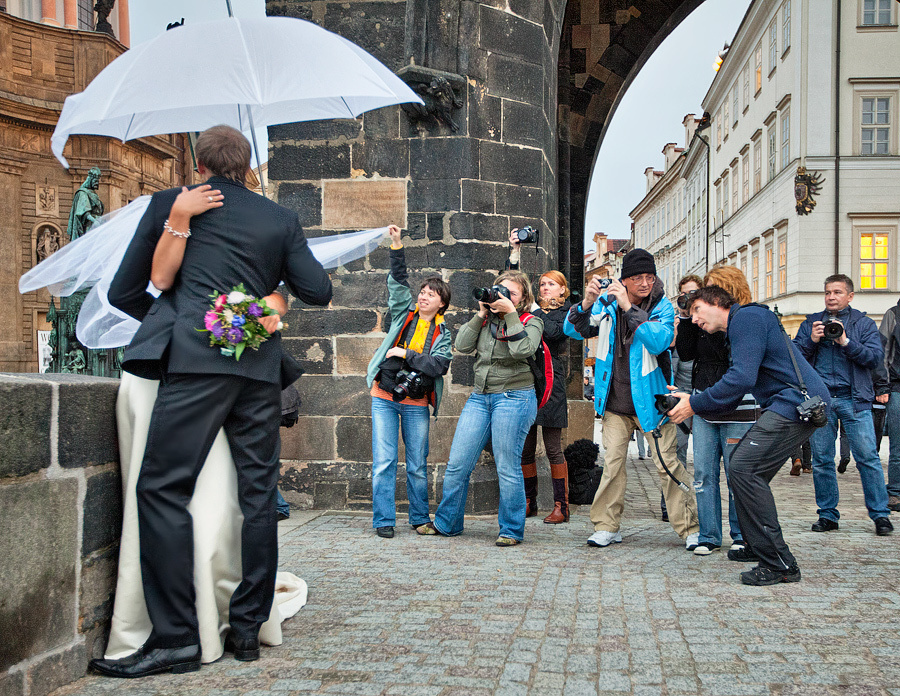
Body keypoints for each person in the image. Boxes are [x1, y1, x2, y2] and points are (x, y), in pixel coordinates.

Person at [92, 125, 333, 678]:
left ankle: (177, 637)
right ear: (247, 166)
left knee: (159, 488)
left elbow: (124, 291)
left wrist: (174, 323)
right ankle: (246, 628)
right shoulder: (279, 218)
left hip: (197, 368)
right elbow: (317, 288)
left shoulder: (170, 204)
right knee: (258, 497)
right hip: (258, 371)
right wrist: (273, 298)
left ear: (199, 166)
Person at [667, 285, 831, 585]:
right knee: (747, 472)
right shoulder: (742, 325)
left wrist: (695, 403)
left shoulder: (747, 319)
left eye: (697, 311)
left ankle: (780, 563)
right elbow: (738, 383)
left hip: (795, 405)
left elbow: (741, 378)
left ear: (716, 302)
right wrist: (691, 399)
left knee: (742, 468)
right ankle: (758, 546)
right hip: (789, 405)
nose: (695, 320)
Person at [564, 248, 699, 550]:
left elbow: (659, 341)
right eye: (637, 277)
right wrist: (586, 303)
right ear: (624, 279)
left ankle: (689, 529)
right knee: (612, 466)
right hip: (614, 403)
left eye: (649, 277)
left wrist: (629, 308)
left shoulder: (662, 307)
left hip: (653, 403)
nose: (645, 283)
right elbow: (572, 332)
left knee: (668, 466)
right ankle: (606, 526)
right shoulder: (606, 303)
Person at [418, 269, 542, 546]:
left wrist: (510, 313)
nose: (501, 296)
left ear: (522, 299)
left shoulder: (530, 321)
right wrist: (481, 314)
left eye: (510, 293)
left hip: (515, 397)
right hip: (480, 397)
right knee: (457, 464)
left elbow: (522, 350)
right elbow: (461, 345)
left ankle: (511, 529)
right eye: (499, 290)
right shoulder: (485, 321)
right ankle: (447, 523)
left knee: (507, 466)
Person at [366, 225, 452, 538]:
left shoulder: (444, 333)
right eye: (423, 293)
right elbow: (398, 284)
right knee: (385, 461)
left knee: (417, 464)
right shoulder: (405, 313)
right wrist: (397, 245)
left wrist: (405, 353)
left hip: (416, 402)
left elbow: (438, 365)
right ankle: (383, 520)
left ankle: (419, 518)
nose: (424, 296)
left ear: (442, 302)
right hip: (384, 396)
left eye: (431, 294)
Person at [793, 274, 892, 536]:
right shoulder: (811, 323)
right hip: (821, 401)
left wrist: (846, 341)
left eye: (837, 292)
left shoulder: (864, 324)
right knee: (823, 460)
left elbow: (873, 358)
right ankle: (827, 515)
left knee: (868, 459)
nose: (831, 297)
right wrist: (811, 341)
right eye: (827, 292)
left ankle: (880, 515)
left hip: (855, 399)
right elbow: (794, 360)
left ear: (850, 296)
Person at [675, 267, 758, 557]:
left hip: (737, 404)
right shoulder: (700, 322)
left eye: (710, 290)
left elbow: (733, 360)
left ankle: (740, 534)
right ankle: (709, 534)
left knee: (737, 473)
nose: (703, 298)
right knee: (703, 473)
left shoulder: (743, 322)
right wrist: (687, 318)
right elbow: (685, 354)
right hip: (703, 399)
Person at [508, 232, 573, 523]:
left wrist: (536, 310)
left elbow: (552, 333)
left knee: (553, 446)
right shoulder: (531, 310)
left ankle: (562, 505)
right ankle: (528, 501)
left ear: (562, 291)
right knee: (525, 445)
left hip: (553, 380)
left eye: (551, 285)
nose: (545, 288)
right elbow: (508, 289)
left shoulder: (567, 313)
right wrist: (514, 252)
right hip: (529, 377)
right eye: (543, 284)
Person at [878, 298, 900, 512]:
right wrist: (883, 387)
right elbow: (882, 353)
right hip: (898, 388)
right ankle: (895, 492)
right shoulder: (893, 314)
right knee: (898, 446)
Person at [67, 166, 104, 240]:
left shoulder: (93, 193)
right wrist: (94, 221)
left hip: (97, 224)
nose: (96, 183)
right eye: (95, 181)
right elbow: (84, 212)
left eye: (97, 181)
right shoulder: (83, 193)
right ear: (90, 180)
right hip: (89, 226)